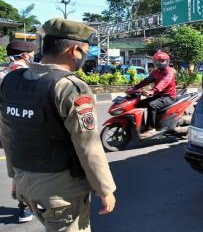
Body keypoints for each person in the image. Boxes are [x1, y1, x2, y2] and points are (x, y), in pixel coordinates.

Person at [0, 18, 116, 231]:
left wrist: (15, 175)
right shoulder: (69, 87)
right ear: (74, 51)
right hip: (61, 192)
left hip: (26, 183)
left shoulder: (12, 81)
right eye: (86, 51)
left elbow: (8, 134)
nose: (86, 56)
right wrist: (105, 189)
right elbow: (88, 145)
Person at [0, 40, 37, 223]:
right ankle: (26, 206)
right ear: (24, 55)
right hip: (25, 128)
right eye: (31, 54)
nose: (32, 57)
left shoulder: (3, 72)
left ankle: (25, 204)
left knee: (17, 167)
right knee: (29, 168)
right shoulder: (26, 74)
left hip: (6, 127)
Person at [127, 51, 176, 138]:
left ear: (167, 61)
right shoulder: (156, 72)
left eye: (162, 61)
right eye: (157, 61)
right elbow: (147, 80)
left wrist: (153, 91)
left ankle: (151, 128)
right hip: (158, 95)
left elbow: (164, 82)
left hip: (168, 97)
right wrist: (135, 87)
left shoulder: (169, 71)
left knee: (152, 105)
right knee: (138, 103)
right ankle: (141, 126)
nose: (159, 63)